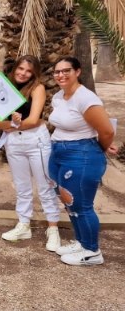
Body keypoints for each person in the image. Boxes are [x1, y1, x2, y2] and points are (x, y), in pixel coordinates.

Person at [48, 56, 118, 266]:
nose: (61, 75)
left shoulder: (86, 99)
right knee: (70, 203)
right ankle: (81, 242)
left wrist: (102, 147)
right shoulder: (59, 97)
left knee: (82, 205)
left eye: (66, 70)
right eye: (57, 71)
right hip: (59, 152)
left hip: (81, 154)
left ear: (77, 72)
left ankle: (92, 251)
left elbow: (106, 130)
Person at [0, 55, 60, 250]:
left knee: (45, 185)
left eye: (28, 71)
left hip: (36, 141)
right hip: (14, 143)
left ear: (34, 73)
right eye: (20, 69)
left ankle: (53, 228)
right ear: (15, 69)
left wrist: (14, 124)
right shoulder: (4, 88)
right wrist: (15, 124)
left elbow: (34, 121)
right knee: (22, 186)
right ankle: (23, 225)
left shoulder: (37, 88)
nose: (23, 73)